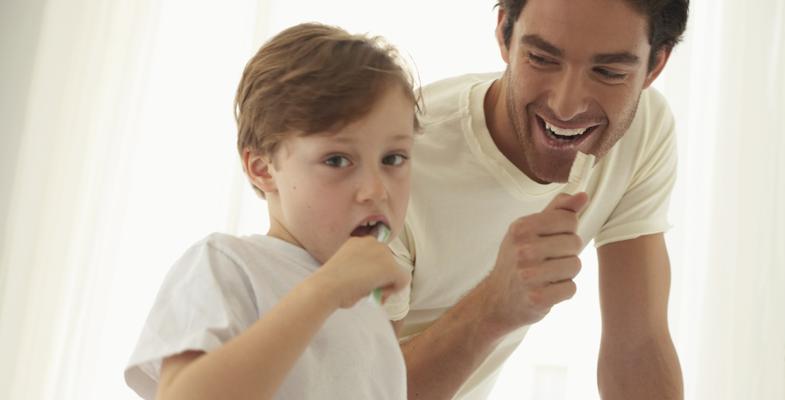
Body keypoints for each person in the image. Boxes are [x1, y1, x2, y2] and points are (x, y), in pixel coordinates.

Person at [383, 0, 689, 398]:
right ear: (504, 35)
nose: (566, 105)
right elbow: (355, 388)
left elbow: (638, 346)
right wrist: (493, 305)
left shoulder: (641, 129)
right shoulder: (392, 165)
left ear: (655, 66)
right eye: (542, 58)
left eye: (609, 72)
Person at [124, 22, 419, 399]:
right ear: (263, 169)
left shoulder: (371, 314)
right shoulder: (227, 265)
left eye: (393, 158)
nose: (376, 190)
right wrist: (326, 290)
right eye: (337, 160)